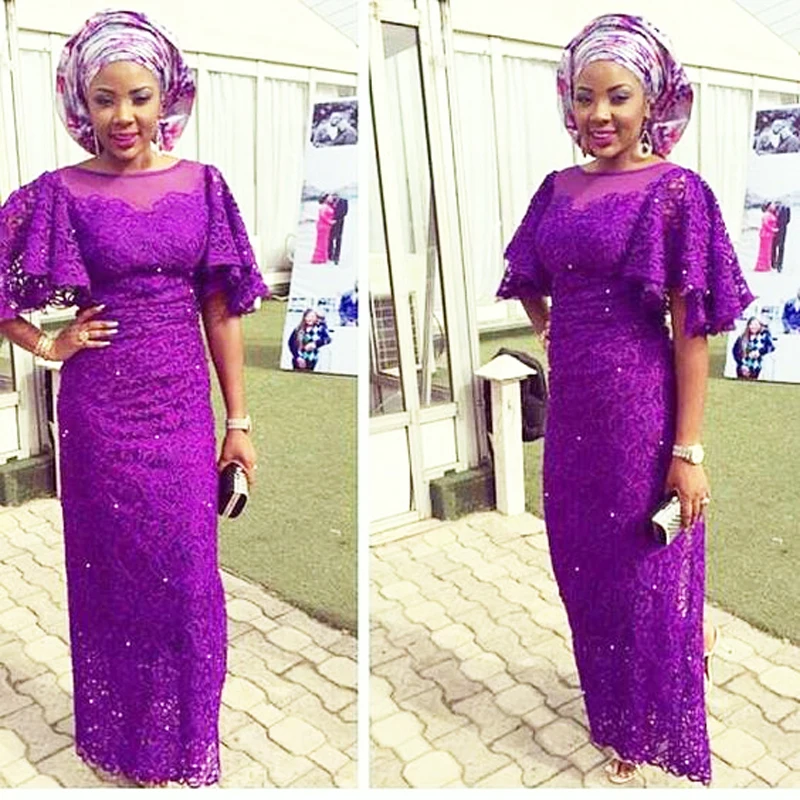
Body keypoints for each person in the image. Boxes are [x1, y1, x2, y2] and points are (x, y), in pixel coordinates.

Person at [0, 11, 268, 787]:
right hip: (99, 416)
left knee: (187, 577)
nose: (123, 116)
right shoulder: (59, 193)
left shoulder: (203, 186)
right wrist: (48, 345)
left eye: (139, 97)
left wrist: (238, 421)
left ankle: (185, 737)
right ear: (81, 104)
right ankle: (122, 739)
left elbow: (221, 308)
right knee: (114, 576)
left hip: (180, 414)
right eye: (105, 99)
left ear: (167, 98)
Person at [497, 14, 753, 786]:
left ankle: (640, 718)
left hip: (642, 417)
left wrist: (687, 450)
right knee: (586, 574)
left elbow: (692, 330)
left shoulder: (677, 193)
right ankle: (630, 684)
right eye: (585, 97)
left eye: (618, 97)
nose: (599, 114)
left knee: (646, 573)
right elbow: (525, 272)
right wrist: (550, 329)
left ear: (652, 104)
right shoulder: (557, 189)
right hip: (573, 420)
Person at [311, 194, 336, 264]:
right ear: (326, 199)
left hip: (326, 226)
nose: (331, 199)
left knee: (324, 243)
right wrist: (330, 221)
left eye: (331, 198)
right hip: (322, 226)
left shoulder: (328, 206)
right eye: (330, 198)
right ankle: (318, 258)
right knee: (321, 243)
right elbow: (322, 216)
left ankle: (322, 258)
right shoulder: (324, 207)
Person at [755, 202, 779, 272]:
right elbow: (765, 224)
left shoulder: (772, 214)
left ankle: (766, 266)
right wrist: (773, 229)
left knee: (768, 251)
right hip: (765, 234)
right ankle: (761, 266)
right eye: (772, 206)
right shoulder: (766, 215)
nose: (774, 207)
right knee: (764, 251)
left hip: (769, 235)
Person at [328, 193, 349, 265]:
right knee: (330, 239)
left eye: (336, 196)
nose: (335, 197)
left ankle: (336, 256)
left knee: (338, 239)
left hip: (339, 223)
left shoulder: (344, 201)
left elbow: (344, 212)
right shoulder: (330, 201)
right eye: (333, 196)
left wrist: (335, 217)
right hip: (331, 224)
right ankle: (330, 255)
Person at [772, 202, 791, 272]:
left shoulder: (786, 208)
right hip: (778, 229)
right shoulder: (774, 207)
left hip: (780, 229)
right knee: (775, 246)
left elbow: (788, 220)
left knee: (779, 247)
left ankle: (777, 263)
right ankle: (775, 263)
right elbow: (788, 220)